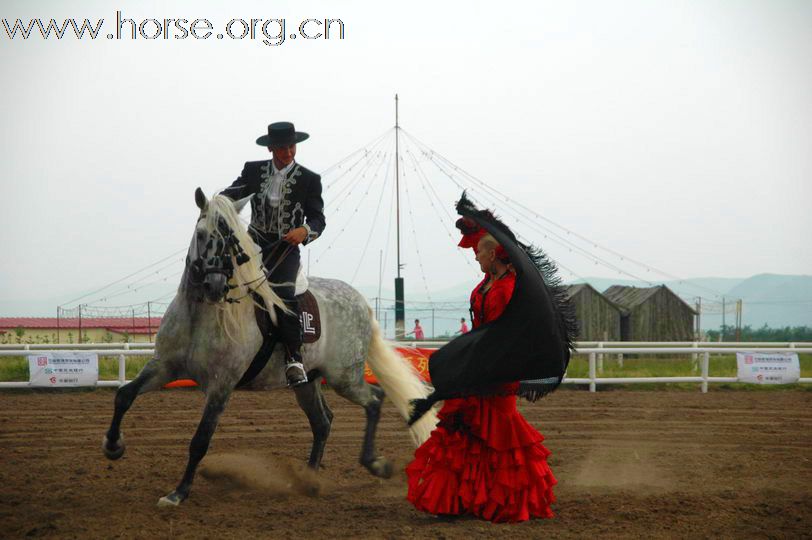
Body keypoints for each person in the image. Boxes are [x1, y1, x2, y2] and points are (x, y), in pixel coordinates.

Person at [405, 231, 557, 523]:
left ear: (491, 255)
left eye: (478, 252)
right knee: (465, 433)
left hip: (496, 372)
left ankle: (503, 500)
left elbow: (505, 335)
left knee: (498, 436)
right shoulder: (488, 284)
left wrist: (479, 362)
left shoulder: (509, 288)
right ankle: (463, 500)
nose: (474, 256)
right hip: (476, 365)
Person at [221, 122, 325, 387]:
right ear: (271, 148)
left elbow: (317, 219)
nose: (288, 152)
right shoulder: (253, 170)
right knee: (220, 276)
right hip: (254, 241)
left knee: (284, 293)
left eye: (291, 146)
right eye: (282, 147)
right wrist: (215, 206)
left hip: (285, 248)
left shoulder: (309, 179)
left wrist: (304, 230)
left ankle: (294, 359)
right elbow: (231, 194)